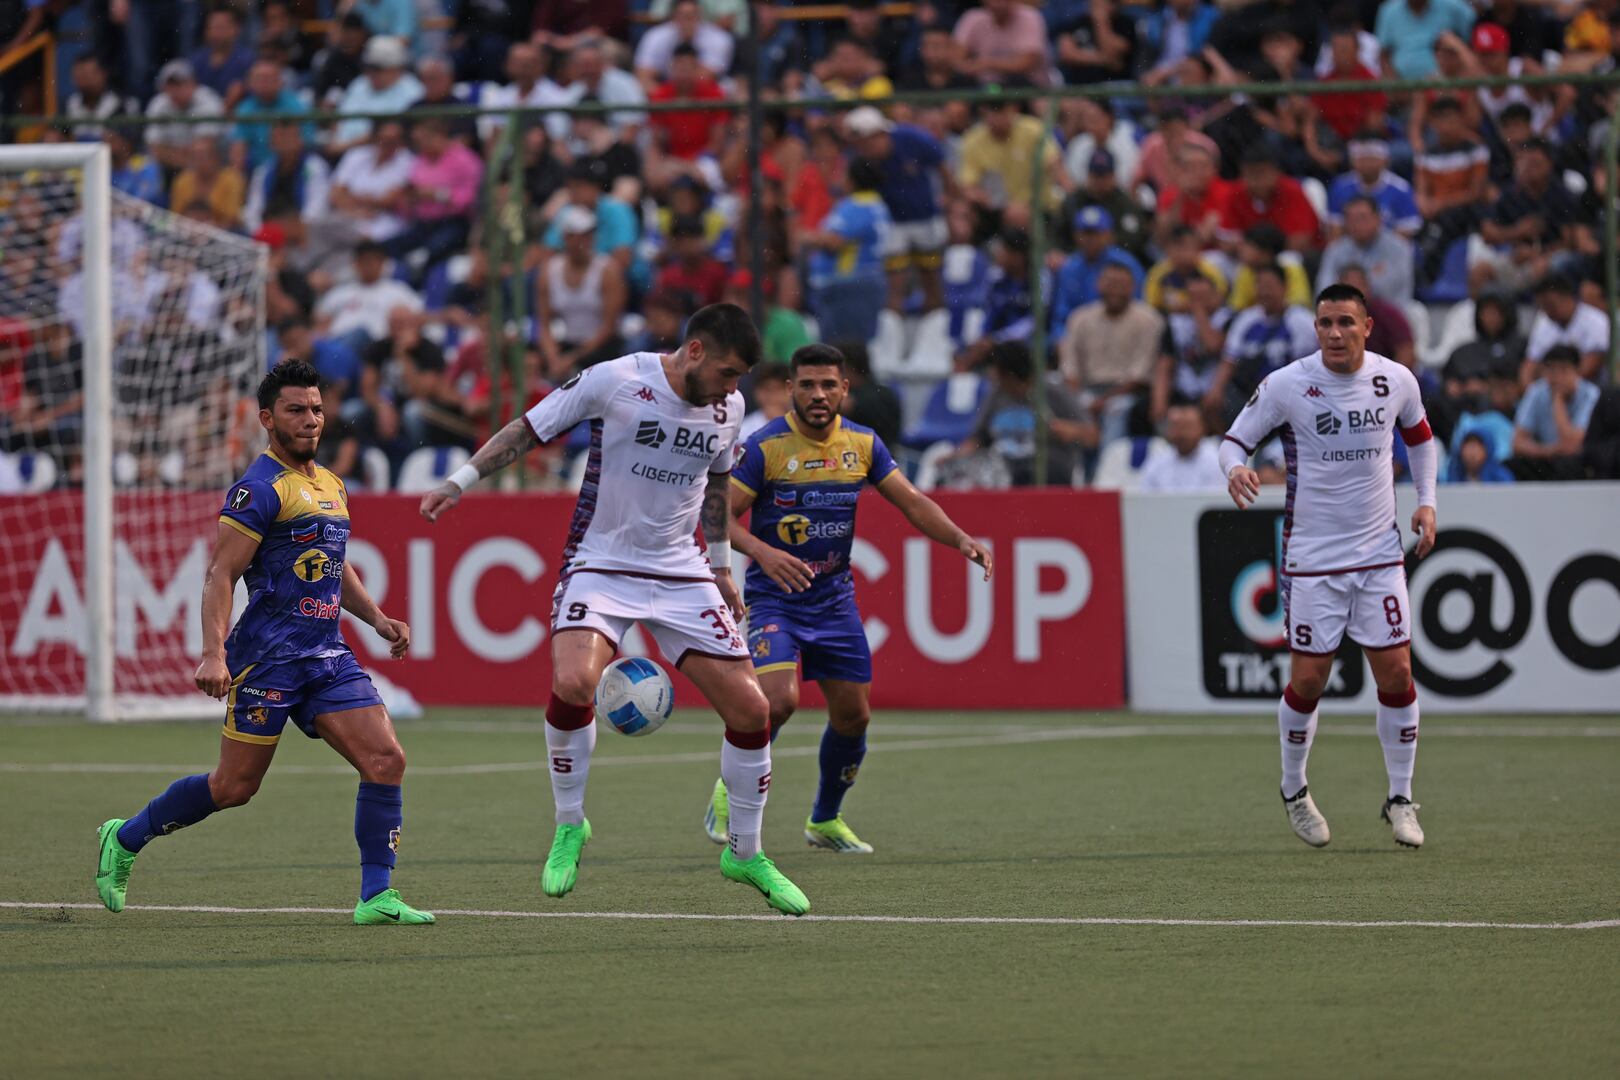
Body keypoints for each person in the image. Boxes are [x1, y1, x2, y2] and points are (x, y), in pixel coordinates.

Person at [418, 304, 811, 915]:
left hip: (682, 572)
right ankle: (570, 825)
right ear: (697, 352)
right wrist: (459, 481)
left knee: (752, 706)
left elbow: (714, 485)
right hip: (601, 563)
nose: (735, 389)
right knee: (574, 681)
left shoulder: (727, 408)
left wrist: (722, 565)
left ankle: (745, 851)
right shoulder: (616, 379)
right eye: (729, 373)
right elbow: (528, 428)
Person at [94, 360, 431, 926]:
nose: (311, 420)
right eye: (297, 411)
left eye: (318, 410)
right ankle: (124, 838)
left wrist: (376, 619)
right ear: (268, 419)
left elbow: (334, 566)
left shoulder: (331, 484)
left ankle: (376, 896)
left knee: (386, 758)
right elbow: (220, 575)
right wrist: (213, 652)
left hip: (326, 655)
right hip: (269, 660)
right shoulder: (257, 491)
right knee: (233, 787)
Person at [707, 344, 993, 853]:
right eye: (808, 385)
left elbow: (912, 501)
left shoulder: (862, 444)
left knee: (854, 717)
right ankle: (728, 791)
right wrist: (762, 552)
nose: (818, 395)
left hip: (834, 602)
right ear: (790, 389)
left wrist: (960, 539)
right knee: (778, 701)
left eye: (828, 385)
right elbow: (718, 517)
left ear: (845, 389)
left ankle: (824, 821)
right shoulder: (765, 446)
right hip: (777, 599)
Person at [1219, 283, 1439, 851]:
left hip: (1378, 554)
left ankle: (1400, 798)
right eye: (1325, 323)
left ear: (1368, 325)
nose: (1335, 333)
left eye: (1345, 322)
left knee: (1397, 674)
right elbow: (1232, 441)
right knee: (1309, 680)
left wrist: (1427, 500)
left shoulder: (1396, 380)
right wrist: (1234, 469)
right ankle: (1294, 789)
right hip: (1313, 559)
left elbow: (1420, 439)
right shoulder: (1288, 384)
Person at [1510, 345, 1599, 479]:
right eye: (1552, 371)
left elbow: (1572, 445)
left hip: (1580, 460)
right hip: (1547, 455)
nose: (1557, 377)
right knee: (1514, 464)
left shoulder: (1591, 395)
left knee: (1568, 465)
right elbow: (1518, 442)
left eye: (1563, 370)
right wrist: (1549, 451)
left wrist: (1558, 402)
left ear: (1577, 371)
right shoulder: (1536, 391)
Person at [1137, 398, 1225, 491]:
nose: (1181, 433)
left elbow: (1215, 501)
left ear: (1202, 428)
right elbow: (1145, 497)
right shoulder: (1157, 460)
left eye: (1187, 426)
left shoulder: (1217, 460)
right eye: (1176, 426)